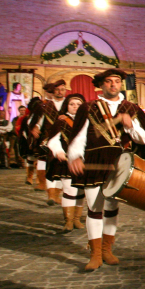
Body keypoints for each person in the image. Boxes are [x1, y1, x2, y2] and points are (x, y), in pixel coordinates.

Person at [67, 69, 145, 272]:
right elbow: (79, 136)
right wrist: (75, 156)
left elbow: (143, 139)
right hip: (95, 159)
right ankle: (95, 254)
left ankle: (106, 249)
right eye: (109, 82)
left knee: (112, 208)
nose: (113, 85)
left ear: (121, 84)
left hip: (118, 163)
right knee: (95, 208)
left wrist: (130, 126)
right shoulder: (89, 107)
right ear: (101, 85)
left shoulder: (131, 108)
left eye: (117, 81)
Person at [47, 94, 87, 232]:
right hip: (66, 161)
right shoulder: (61, 121)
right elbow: (53, 140)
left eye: (78, 104)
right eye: (72, 104)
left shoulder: (87, 121)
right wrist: (58, 151)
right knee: (70, 190)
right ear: (67, 106)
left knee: (81, 190)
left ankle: (77, 219)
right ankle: (68, 221)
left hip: (83, 161)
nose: (75, 106)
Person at [34, 80, 70, 204]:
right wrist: (36, 128)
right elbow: (39, 122)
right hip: (49, 139)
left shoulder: (70, 103)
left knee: (62, 168)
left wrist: (68, 117)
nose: (60, 92)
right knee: (50, 166)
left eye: (62, 89)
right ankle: (51, 195)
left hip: (66, 140)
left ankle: (57, 194)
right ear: (53, 91)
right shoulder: (46, 106)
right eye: (57, 89)